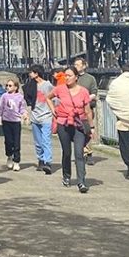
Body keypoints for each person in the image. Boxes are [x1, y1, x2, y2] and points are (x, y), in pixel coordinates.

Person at [49, 63, 93, 193]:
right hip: (63, 123)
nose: (67, 78)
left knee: (79, 153)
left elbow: (88, 110)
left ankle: (81, 181)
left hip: (78, 123)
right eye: (65, 75)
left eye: (69, 75)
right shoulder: (60, 89)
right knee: (67, 152)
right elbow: (48, 98)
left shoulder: (84, 91)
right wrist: (54, 111)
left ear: (76, 77)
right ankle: (66, 176)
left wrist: (91, 127)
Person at [26, 65, 54, 174]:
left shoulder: (47, 85)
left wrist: (54, 111)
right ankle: (40, 159)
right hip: (35, 116)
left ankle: (48, 162)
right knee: (38, 142)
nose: (29, 74)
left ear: (37, 73)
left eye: (31, 72)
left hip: (46, 116)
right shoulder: (30, 86)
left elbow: (54, 98)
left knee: (46, 140)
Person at [0, 79, 28, 171]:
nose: (8, 87)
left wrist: (25, 115)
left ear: (16, 87)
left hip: (16, 121)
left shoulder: (20, 97)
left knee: (16, 142)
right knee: (8, 141)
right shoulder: (4, 96)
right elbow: (1, 107)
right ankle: (9, 156)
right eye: (7, 85)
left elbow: (22, 108)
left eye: (10, 85)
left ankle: (16, 161)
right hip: (6, 120)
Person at [73, 56, 98, 158]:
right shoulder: (72, 78)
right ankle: (81, 153)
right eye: (75, 65)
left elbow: (94, 93)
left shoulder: (90, 78)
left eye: (78, 65)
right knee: (76, 133)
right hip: (74, 110)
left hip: (87, 109)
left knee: (87, 131)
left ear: (84, 66)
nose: (76, 66)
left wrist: (85, 99)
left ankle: (89, 152)